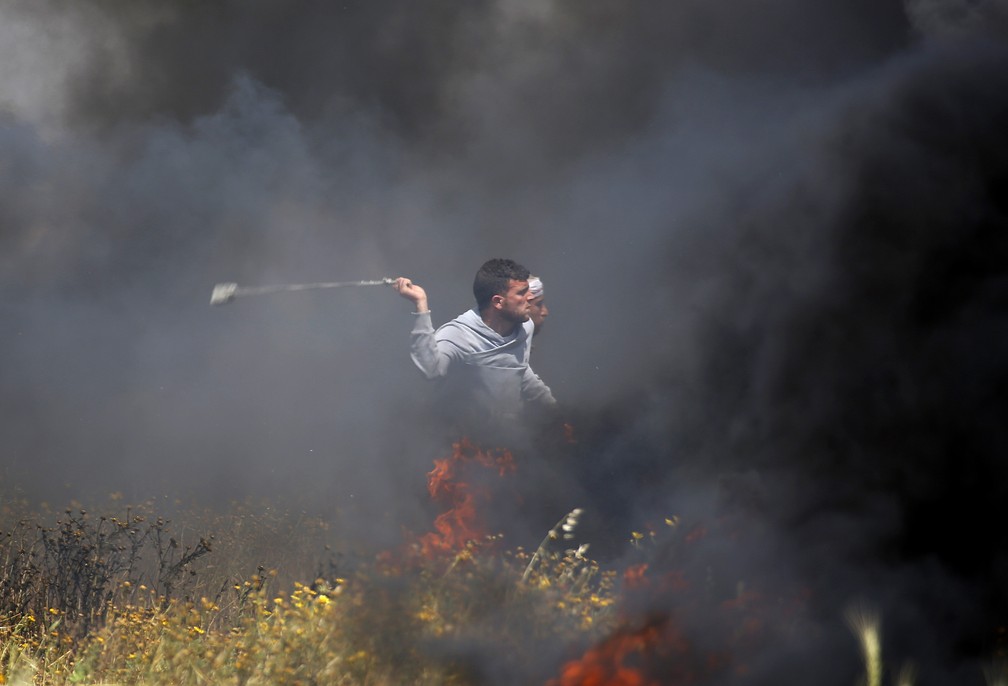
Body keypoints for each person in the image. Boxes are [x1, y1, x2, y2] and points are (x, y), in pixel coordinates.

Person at [393, 259, 556, 440]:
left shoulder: (525, 327)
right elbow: (430, 369)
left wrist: (554, 410)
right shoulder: (458, 334)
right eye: (522, 293)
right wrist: (420, 303)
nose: (530, 298)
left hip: (506, 442)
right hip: (462, 445)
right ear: (498, 302)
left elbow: (520, 369)